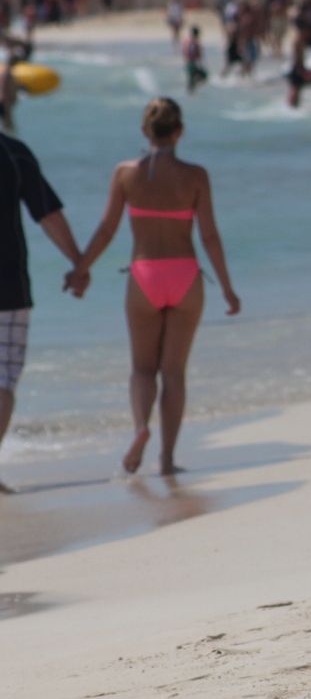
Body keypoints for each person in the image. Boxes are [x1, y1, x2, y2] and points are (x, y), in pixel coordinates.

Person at [74, 99, 240, 476]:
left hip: (144, 274)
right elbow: (210, 236)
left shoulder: (124, 173)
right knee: (174, 372)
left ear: (144, 132)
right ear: (179, 131)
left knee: (142, 368)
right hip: (184, 275)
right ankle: (166, 460)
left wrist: (79, 269)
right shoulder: (195, 175)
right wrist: (228, 289)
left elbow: (106, 230)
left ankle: (140, 428)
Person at [0, 131, 88, 494]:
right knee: (2, 379)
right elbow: (47, 214)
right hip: (8, 285)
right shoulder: (13, 152)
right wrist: (78, 263)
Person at [182, 26, 208, 94]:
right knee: (199, 77)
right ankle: (190, 91)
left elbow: (184, 51)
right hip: (192, 62)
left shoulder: (187, 40)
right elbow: (194, 53)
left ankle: (191, 91)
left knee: (192, 78)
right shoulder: (194, 42)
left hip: (188, 62)